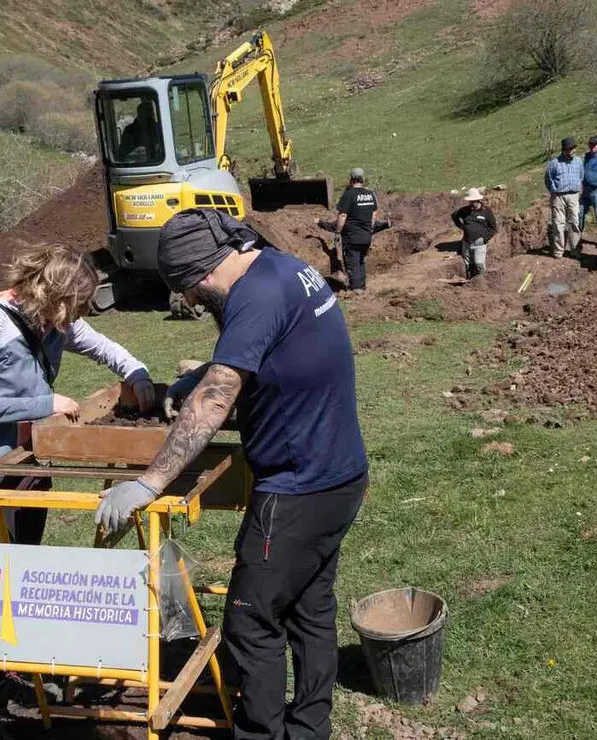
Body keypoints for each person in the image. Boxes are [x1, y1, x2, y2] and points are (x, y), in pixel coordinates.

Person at [97, 208, 368, 740]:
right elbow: (270, 351)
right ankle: (310, 729)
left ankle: (259, 734)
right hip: (340, 474)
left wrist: (149, 482)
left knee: (249, 620)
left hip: (296, 489)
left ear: (200, 273)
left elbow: (218, 399)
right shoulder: (280, 268)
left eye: (190, 291)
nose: (193, 303)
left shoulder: (253, 297)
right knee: (310, 609)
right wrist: (200, 373)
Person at [0, 243, 155, 735]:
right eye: (70, 308)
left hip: (32, 465)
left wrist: (136, 371)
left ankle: (18, 668)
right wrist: (40, 402)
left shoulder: (52, 318)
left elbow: (101, 344)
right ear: (46, 292)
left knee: (23, 574)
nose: (72, 319)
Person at [333, 167, 380, 291]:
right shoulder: (370, 195)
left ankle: (357, 290)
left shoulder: (349, 195)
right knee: (361, 262)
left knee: (353, 263)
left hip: (352, 236)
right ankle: (362, 287)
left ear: (351, 180)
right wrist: (370, 227)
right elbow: (374, 213)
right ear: (363, 179)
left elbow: (342, 215)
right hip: (366, 236)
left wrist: (338, 231)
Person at [544, 137, 584, 258]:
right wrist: (554, 190)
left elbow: (581, 176)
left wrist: (578, 189)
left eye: (574, 148)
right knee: (558, 223)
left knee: (574, 222)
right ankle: (558, 250)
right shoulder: (554, 163)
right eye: (570, 149)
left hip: (573, 195)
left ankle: (575, 250)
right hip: (558, 196)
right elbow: (548, 179)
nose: (573, 151)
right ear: (564, 150)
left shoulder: (578, 161)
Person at [451, 188, 497, 279]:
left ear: (478, 200)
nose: (471, 204)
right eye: (470, 202)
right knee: (468, 264)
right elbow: (454, 216)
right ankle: (469, 283)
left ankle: (481, 284)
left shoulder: (487, 211)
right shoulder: (464, 211)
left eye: (473, 202)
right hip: (467, 242)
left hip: (479, 244)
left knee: (479, 264)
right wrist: (461, 226)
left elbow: (493, 228)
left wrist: (484, 239)